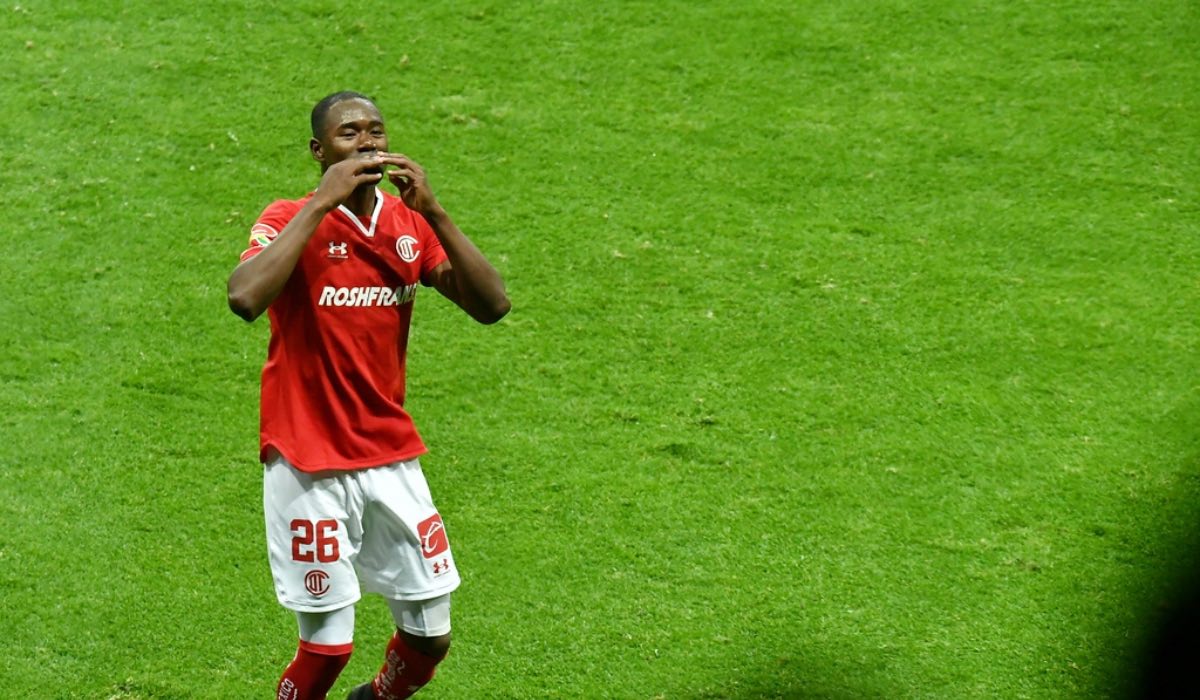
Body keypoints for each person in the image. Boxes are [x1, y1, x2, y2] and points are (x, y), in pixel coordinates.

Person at [227, 90, 510, 700]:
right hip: (306, 459)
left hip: (388, 455)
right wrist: (321, 202)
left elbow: (492, 306)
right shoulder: (286, 216)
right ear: (319, 150)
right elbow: (245, 297)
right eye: (350, 133)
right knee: (328, 648)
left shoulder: (408, 225)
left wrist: (435, 213)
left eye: (376, 131)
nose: (368, 143)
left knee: (430, 637)